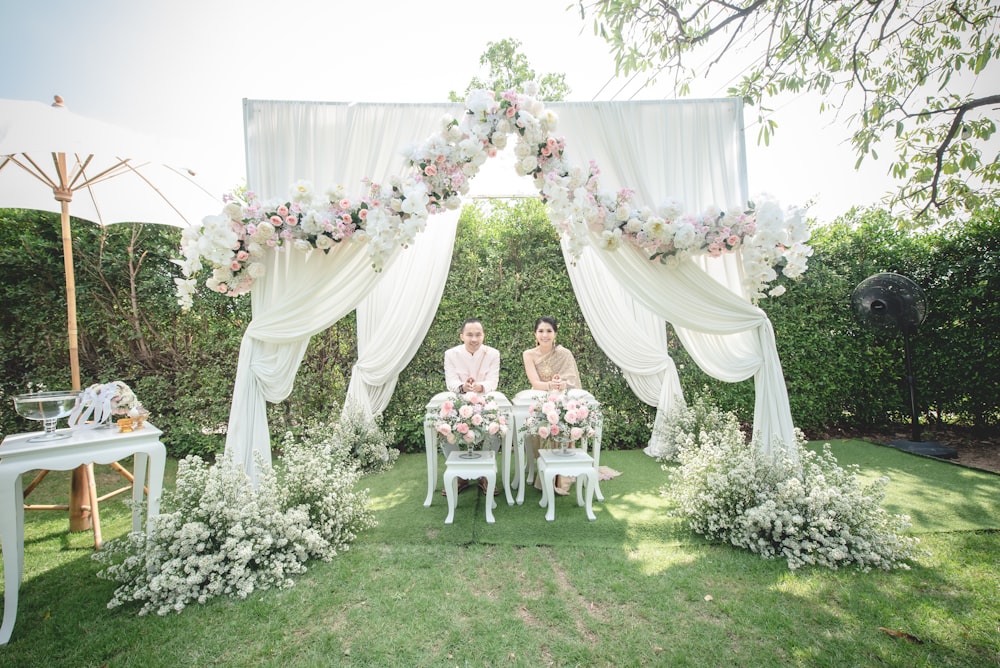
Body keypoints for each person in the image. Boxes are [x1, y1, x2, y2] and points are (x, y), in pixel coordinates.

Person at [521, 317, 581, 495]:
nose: (545, 335)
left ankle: (560, 477)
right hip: (539, 397)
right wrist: (550, 386)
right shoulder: (529, 354)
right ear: (535, 334)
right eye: (541, 331)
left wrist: (561, 384)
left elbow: (571, 379)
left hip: (560, 397)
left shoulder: (564, 353)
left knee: (561, 417)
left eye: (549, 331)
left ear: (555, 333)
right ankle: (543, 470)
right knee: (540, 421)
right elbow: (535, 381)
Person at [442, 318, 501, 495]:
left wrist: (479, 387)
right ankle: (460, 476)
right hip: (459, 399)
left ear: (483, 336)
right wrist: (463, 387)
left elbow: (493, 381)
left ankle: (485, 474)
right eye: (469, 335)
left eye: (478, 335)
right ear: (462, 336)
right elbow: (451, 380)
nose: (474, 339)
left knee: (496, 426)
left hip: (485, 398)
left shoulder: (492, 353)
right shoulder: (451, 354)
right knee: (443, 427)